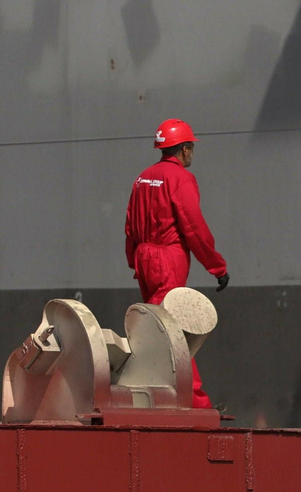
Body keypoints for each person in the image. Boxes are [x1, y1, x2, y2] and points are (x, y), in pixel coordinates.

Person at [124, 118, 229, 409]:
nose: (192, 152)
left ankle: (160, 396)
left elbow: (130, 226)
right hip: (168, 260)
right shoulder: (180, 179)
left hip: (144, 258)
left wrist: (135, 261)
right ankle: (194, 401)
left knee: (156, 327)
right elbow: (194, 228)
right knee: (173, 331)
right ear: (183, 149)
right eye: (191, 147)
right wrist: (217, 267)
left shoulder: (143, 178)